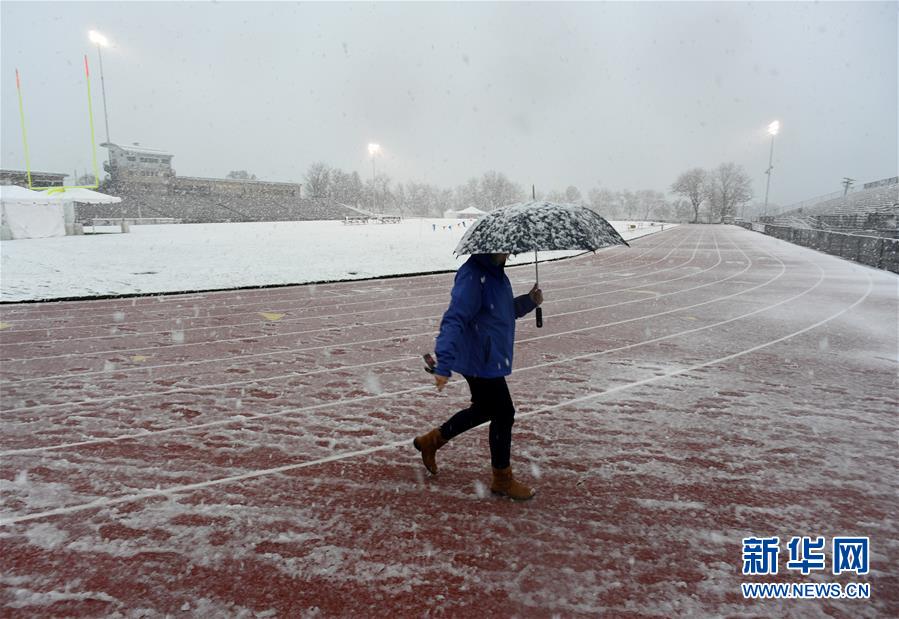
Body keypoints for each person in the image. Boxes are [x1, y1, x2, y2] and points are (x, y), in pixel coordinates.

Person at [413, 252, 543, 500]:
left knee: (485, 409)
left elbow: (501, 312)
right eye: (505, 248)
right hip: (478, 358)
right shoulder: (473, 274)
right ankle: (502, 478)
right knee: (504, 412)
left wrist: (529, 301)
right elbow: (455, 318)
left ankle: (431, 441)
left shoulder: (497, 273)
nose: (509, 252)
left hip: (489, 356)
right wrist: (444, 364)